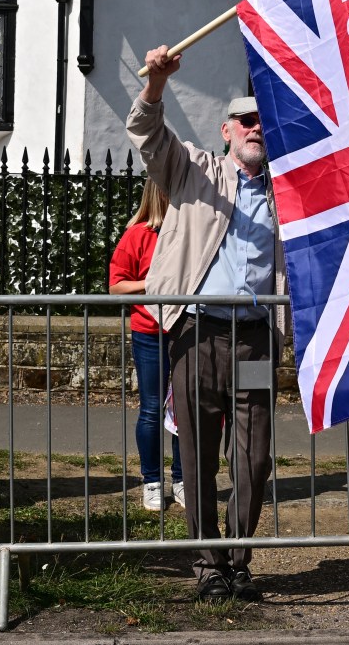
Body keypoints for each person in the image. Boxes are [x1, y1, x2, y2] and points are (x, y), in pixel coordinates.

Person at [128, 45, 285, 603]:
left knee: (256, 454)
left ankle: (238, 560)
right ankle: (207, 561)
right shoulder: (195, 169)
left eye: (263, 120)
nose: (256, 128)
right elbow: (147, 135)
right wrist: (156, 85)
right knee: (195, 453)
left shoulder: (288, 190)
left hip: (256, 337)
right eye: (246, 119)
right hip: (197, 332)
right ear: (226, 129)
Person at [108, 179, 185, 512]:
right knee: (153, 408)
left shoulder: (192, 233)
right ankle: (152, 481)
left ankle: (183, 479)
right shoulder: (137, 234)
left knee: (186, 408)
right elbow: (116, 286)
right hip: (149, 331)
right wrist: (152, 285)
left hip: (186, 329)